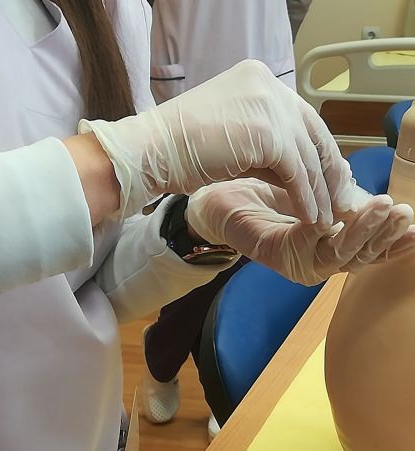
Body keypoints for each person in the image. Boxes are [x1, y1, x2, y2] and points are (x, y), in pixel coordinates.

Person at [0, 1, 415, 449]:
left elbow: (71, 291)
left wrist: (196, 228)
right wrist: (118, 162)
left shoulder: (116, 13)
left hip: (90, 421)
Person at [140, 0, 312, 433]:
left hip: (262, 50)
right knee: (193, 232)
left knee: (254, 230)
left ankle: (215, 378)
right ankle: (170, 361)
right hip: (184, 58)